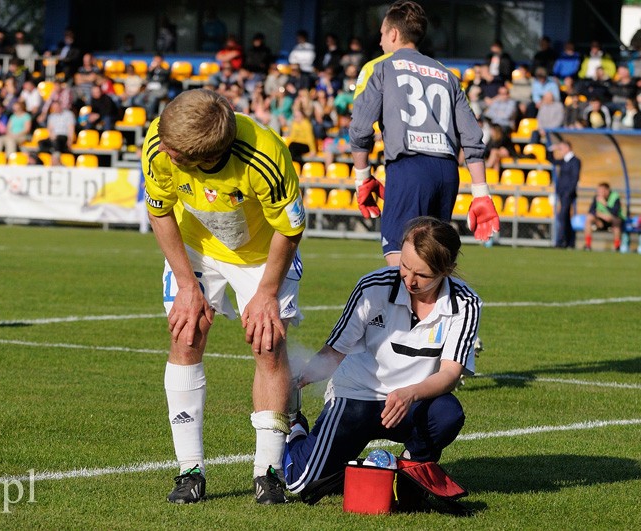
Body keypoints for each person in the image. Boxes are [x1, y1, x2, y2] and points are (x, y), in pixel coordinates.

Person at [142, 89, 305, 505]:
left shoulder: (266, 158)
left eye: (173, 151)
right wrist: (185, 285)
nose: (163, 150)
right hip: (196, 247)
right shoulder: (160, 142)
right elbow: (159, 212)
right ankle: (189, 470)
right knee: (185, 333)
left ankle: (268, 473)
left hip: (260, 254)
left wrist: (267, 292)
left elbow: (290, 229)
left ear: (201, 158)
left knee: (268, 344)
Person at [283, 217, 480, 500]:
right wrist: (304, 375)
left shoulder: (466, 303)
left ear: (446, 270)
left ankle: (411, 468)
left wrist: (409, 394)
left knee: (447, 414)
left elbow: (450, 373)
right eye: (405, 267)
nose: (409, 280)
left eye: (422, 276)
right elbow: (336, 348)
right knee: (301, 485)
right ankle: (297, 429)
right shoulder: (372, 286)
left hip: (412, 402)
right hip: (357, 396)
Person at [349, 0, 499, 266]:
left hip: (409, 168)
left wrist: (363, 178)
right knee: (434, 262)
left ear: (393, 34)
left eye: (382, 33)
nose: (380, 40)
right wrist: (481, 193)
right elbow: (473, 139)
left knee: (402, 264)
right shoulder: (447, 74)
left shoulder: (380, 67)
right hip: (446, 173)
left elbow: (361, 129)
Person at [552, 141, 580, 249]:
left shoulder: (575, 161)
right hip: (562, 193)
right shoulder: (564, 161)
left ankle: (560, 242)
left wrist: (569, 192)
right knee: (565, 218)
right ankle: (570, 242)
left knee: (562, 216)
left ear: (568, 148)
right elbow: (552, 160)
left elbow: (575, 178)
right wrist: (551, 150)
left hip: (568, 193)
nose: (560, 150)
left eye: (562, 148)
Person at [584, 182, 623, 251]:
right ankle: (588, 245)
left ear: (607, 190)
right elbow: (591, 211)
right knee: (589, 218)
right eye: (598, 191)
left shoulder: (615, 197)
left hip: (612, 221)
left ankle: (617, 247)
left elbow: (615, 212)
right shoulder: (597, 197)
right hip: (601, 221)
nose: (599, 192)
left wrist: (605, 204)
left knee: (616, 221)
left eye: (601, 191)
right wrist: (601, 215)